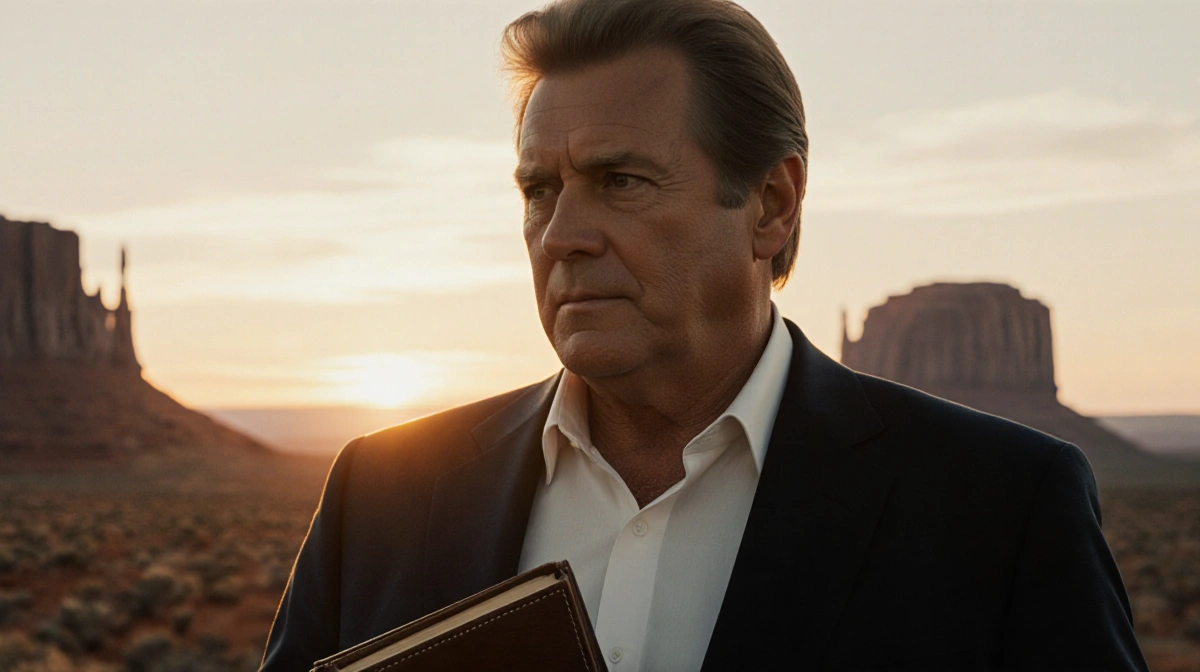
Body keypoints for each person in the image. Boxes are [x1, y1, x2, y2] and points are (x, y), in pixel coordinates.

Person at [261, 0, 1147, 670]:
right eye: (539, 189)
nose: (562, 232)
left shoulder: (1000, 510)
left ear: (772, 203)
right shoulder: (378, 497)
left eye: (620, 180)